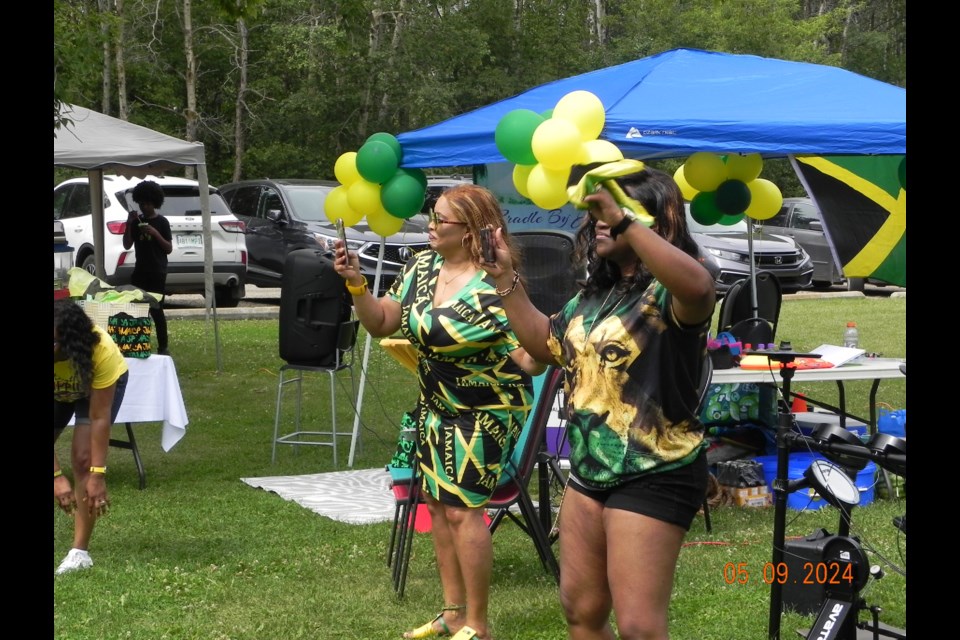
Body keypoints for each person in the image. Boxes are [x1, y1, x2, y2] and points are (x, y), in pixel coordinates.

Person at [481, 165, 716, 640]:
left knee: (637, 626)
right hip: (589, 469)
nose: (600, 221)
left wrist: (626, 221)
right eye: (598, 213)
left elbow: (699, 287)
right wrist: (505, 277)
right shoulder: (594, 296)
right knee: (581, 611)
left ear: (652, 219)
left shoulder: (666, 295)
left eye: (614, 210)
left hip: (657, 469)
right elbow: (544, 346)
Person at [334, 185, 545, 640]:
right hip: (435, 403)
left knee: (463, 510)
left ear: (471, 232)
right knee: (436, 502)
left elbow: (531, 354)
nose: (430, 224)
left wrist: (550, 350)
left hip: (486, 410)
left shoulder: (496, 285)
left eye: (441, 219)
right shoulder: (423, 267)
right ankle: (452, 614)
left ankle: (479, 625)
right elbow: (383, 321)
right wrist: (356, 284)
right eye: (432, 214)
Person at [54, 298, 130, 574]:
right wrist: (56, 477)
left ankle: (79, 553)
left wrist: (97, 474)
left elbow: (99, 418)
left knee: (83, 460)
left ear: (71, 341)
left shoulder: (101, 350)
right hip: (58, 390)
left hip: (91, 387)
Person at [123, 179, 173, 355]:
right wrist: (129, 224)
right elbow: (127, 244)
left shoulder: (162, 222)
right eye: (141, 204)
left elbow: (168, 248)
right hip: (140, 272)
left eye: (147, 204)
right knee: (137, 310)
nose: (144, 207)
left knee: (157, 310)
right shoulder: (137, 221)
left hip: (157, 272)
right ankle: (139, 344)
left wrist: (155, 234)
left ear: (154, 203)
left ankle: (163, 347)